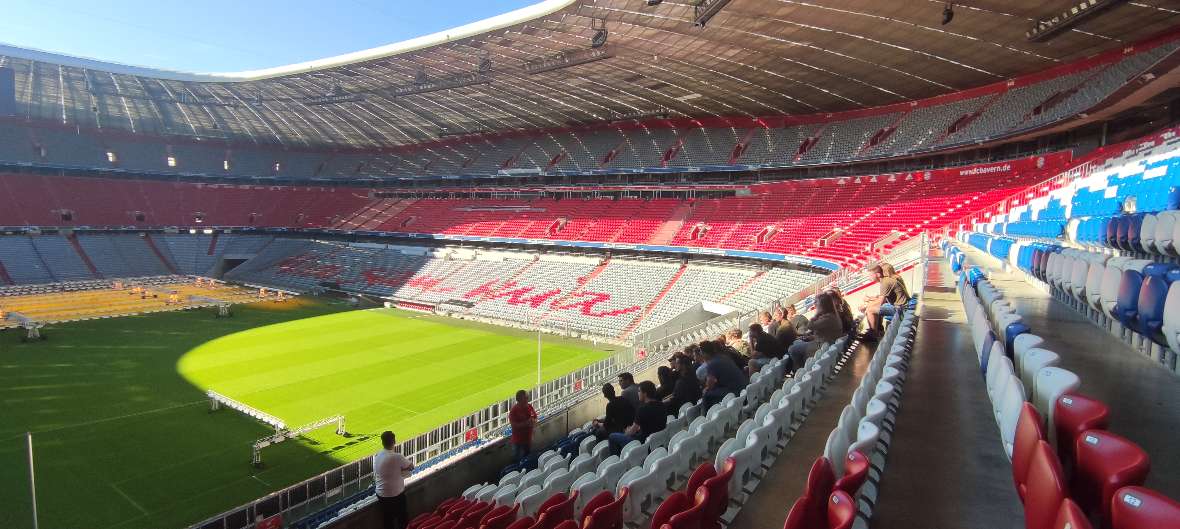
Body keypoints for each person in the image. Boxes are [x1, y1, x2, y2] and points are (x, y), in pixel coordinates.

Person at [788, 293, 846, 368]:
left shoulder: (827, 318)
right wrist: (811, 337)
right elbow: (825, 334)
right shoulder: (833, 315)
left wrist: (817, 314)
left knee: (792, 349)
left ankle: (801, 369)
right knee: (797, 342)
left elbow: (810, 325)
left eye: (817, 303)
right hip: (825, 344)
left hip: (821, 347)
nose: (816, 306)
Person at [609, 381, 667, 453]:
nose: (638, 393)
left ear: (645, 394)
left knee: (612, 436)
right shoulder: (661, 405)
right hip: (659, 440)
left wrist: (626, 431)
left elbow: (631, 432)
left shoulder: (642, 409)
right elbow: (652, 422)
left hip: (643, 443)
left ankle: (618, 460)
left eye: (639, 391)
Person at [374, 430, 414, 529]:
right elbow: (411, 467)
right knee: (403, 519)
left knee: (388, 521)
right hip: (396, 495)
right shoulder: (397, 457)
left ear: (382, 442)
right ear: (394, 441)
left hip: (381, 495)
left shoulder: (378, 455)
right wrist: (402, 469)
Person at [862, 263, 911, 340]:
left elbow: (881, 302)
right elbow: (882, 300)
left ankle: (872, 334)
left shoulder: (885, 282)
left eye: (870, 275)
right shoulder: (885, 281)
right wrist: (870, 302)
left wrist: (867, 306)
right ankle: (878, 330)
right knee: (874, 307)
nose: (869, 277)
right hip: (902, 307)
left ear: (878, 274)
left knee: (870, 310)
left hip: (901, 309)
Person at [701, 340, 749, 409]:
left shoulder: (712, 364)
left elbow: (710, 385)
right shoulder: (723, 357)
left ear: (705, 353)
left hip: (736, 392)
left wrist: (705, 389)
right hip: (743, 388)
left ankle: (707, 417)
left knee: (706, 394)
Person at [508, 389, 537, 461]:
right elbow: (514, 425)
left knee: (527, 458)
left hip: (528, 439)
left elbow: (535, 417)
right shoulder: (514, 411)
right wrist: (526, 423)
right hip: (518, 441)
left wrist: (533, 421)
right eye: (526, 397)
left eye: (527, 397)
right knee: (517, 460)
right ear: (520, 399)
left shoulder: (529, 407)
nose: (528, 399)